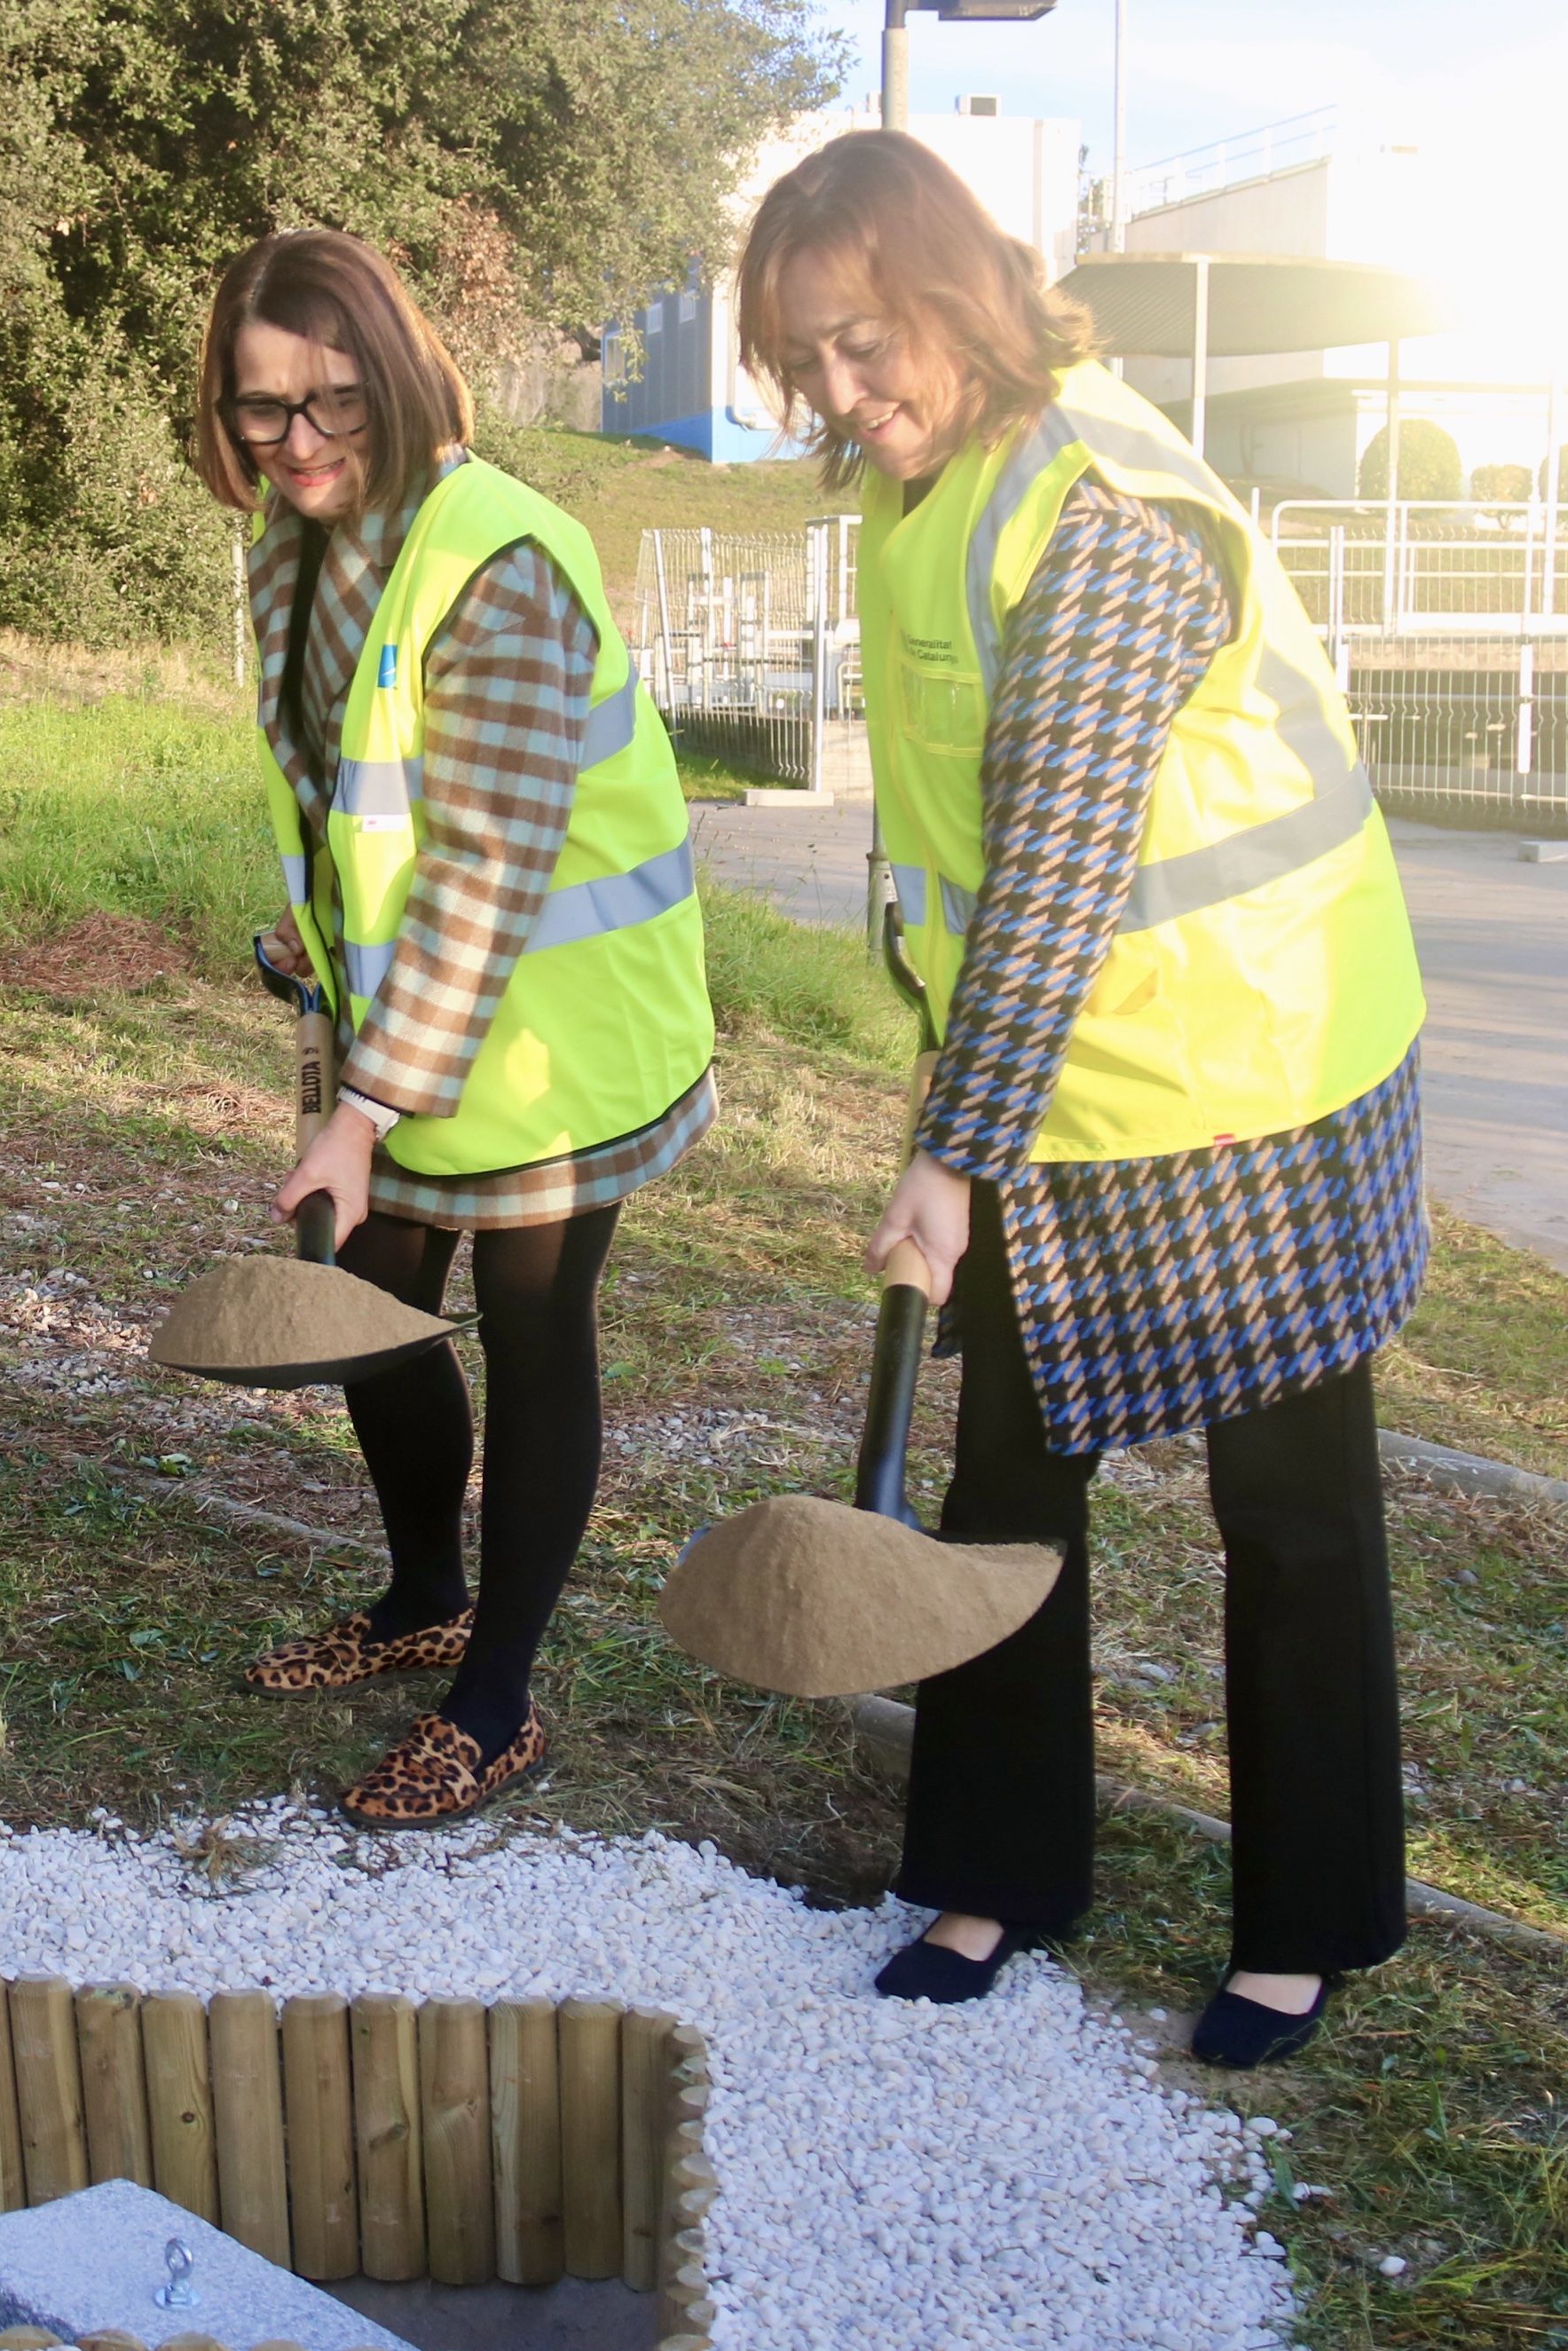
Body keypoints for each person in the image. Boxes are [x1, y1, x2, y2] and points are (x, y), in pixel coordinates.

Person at [736, 132, 1430, 2069]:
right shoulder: (926, 485)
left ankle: (1308, 1917)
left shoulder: (1106, 508)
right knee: (1008, 1481)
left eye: (868, 343)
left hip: (1255, 1081)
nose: (847, 395)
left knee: (1290, 1507)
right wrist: (968, 1126)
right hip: (1058, 1086)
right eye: (813, 362)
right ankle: (1000, 1867)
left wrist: (945, 1155)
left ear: (959, 293)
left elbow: (1054, 867)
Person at [190, 232, 716, 1827]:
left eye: (335, 399)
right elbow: (348, 783)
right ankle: (422, 1592)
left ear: (404, 378)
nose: (301, 442)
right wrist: (316, 939)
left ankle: (497, 1696)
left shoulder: (502, 560)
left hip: (562, 1035)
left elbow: (487, 865)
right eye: (264, 408)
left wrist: (359, 1110)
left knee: (537, 1333)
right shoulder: (295, 546)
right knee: (373, 1299)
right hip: (406, 1013)